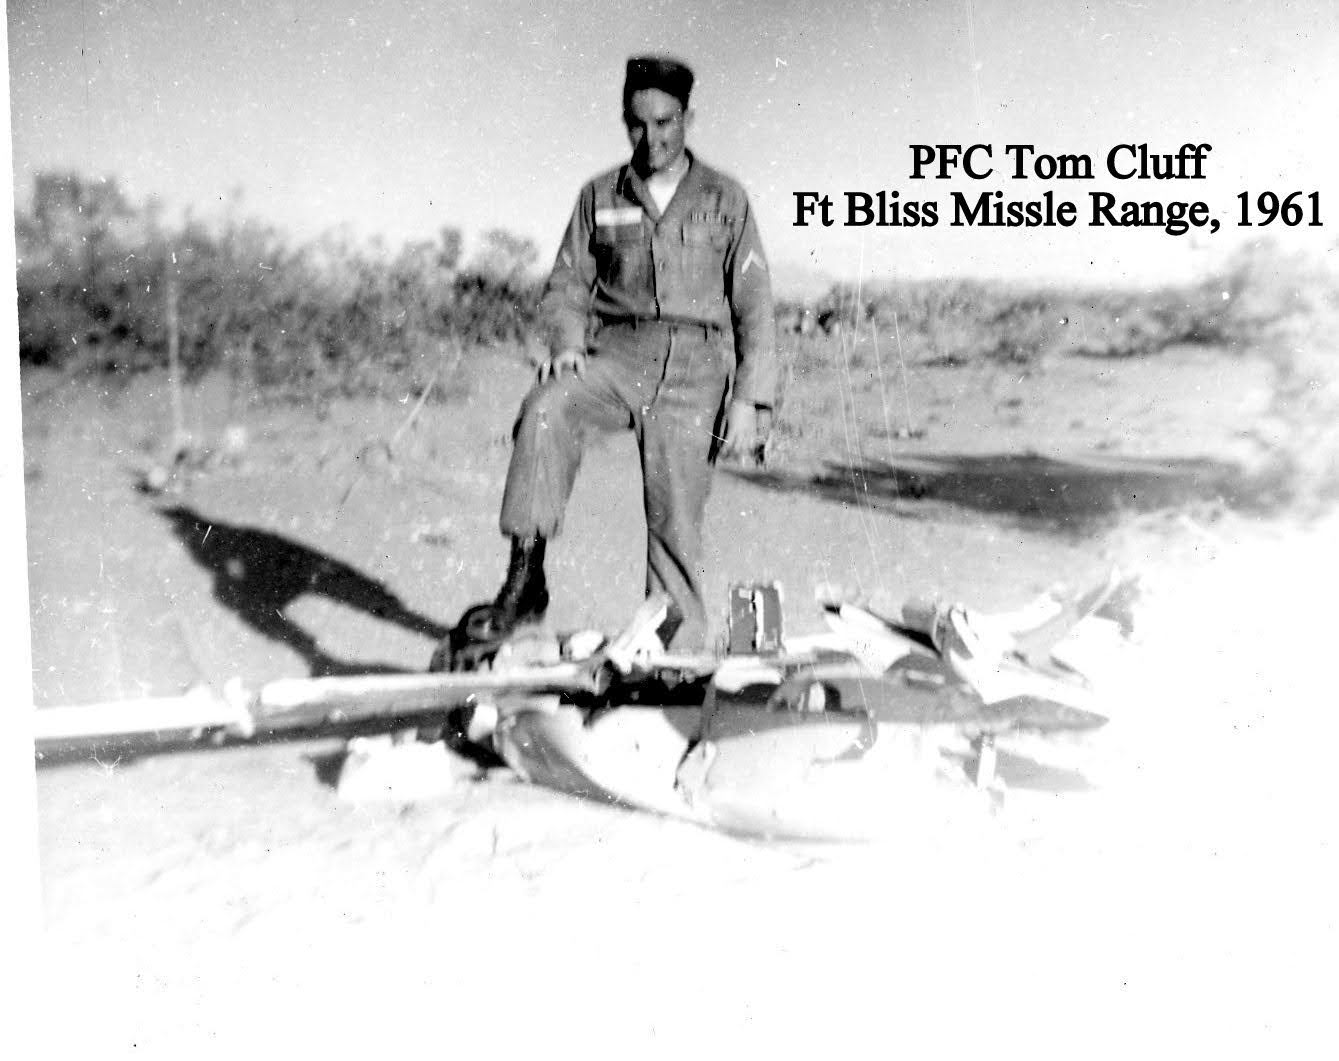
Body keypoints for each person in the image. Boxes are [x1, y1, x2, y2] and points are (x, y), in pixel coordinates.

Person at [452, 54, 778, 656]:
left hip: (695, 366)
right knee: (547, 409)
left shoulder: (725, 199)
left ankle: (673, 653)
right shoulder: (599, 196)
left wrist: (750, 399)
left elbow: (753, 303)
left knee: (675, 516)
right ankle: (525, 583)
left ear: (688, 118)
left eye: (665, 122)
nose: (651, 138)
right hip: (617, 354)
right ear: (624, 120)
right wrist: (567, 342)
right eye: (637, 123)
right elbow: (568, 284)